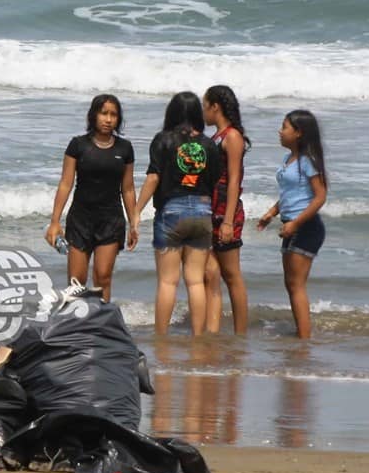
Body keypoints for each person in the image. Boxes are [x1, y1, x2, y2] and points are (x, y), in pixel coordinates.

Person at [132, 92, 221, 336]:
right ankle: (198, 337)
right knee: (195, 281)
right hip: (202, 211)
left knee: (168, 281)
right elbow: (214, 180)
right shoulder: (208, 144)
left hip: (171, 211)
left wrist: (136, 211)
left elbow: (153, 177)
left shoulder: (163, 140)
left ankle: (161, 337)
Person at [45, 94, 137, 301]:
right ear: (93, 116)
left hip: (111, 220)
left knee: (103, 277)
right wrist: (54, 222)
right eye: (104, 113)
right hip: (80, 219)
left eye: (114, 115)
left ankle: (102, 325)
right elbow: (66, 184)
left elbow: (128, 189)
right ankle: (75, 325)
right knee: (77, 282)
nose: (108, 119)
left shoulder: (125, 148)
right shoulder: (78, 145)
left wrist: (134, 223)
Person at [257, 110, 328, 339]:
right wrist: (272, 212)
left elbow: (320, 196)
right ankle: (301, 333)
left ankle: (304, 339)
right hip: (291, 224)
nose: (280, 131)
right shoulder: (289, 160)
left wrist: (296, 223)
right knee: (291, 284)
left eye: (285, 127)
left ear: (298, 133)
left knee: (296, 285)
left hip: (305, 227)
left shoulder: (307, 162)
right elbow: (291, 193)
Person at [202, 85, 250, 335]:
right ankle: (213, 332)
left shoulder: (232, 136)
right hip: (210, 213)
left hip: (225, 213)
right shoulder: (216, 137)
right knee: (210, 275)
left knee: (232, 276)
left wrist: (229, 221)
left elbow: (234, 180)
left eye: (205, 105)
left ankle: (240, 335)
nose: (203, 112)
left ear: (215, 106)